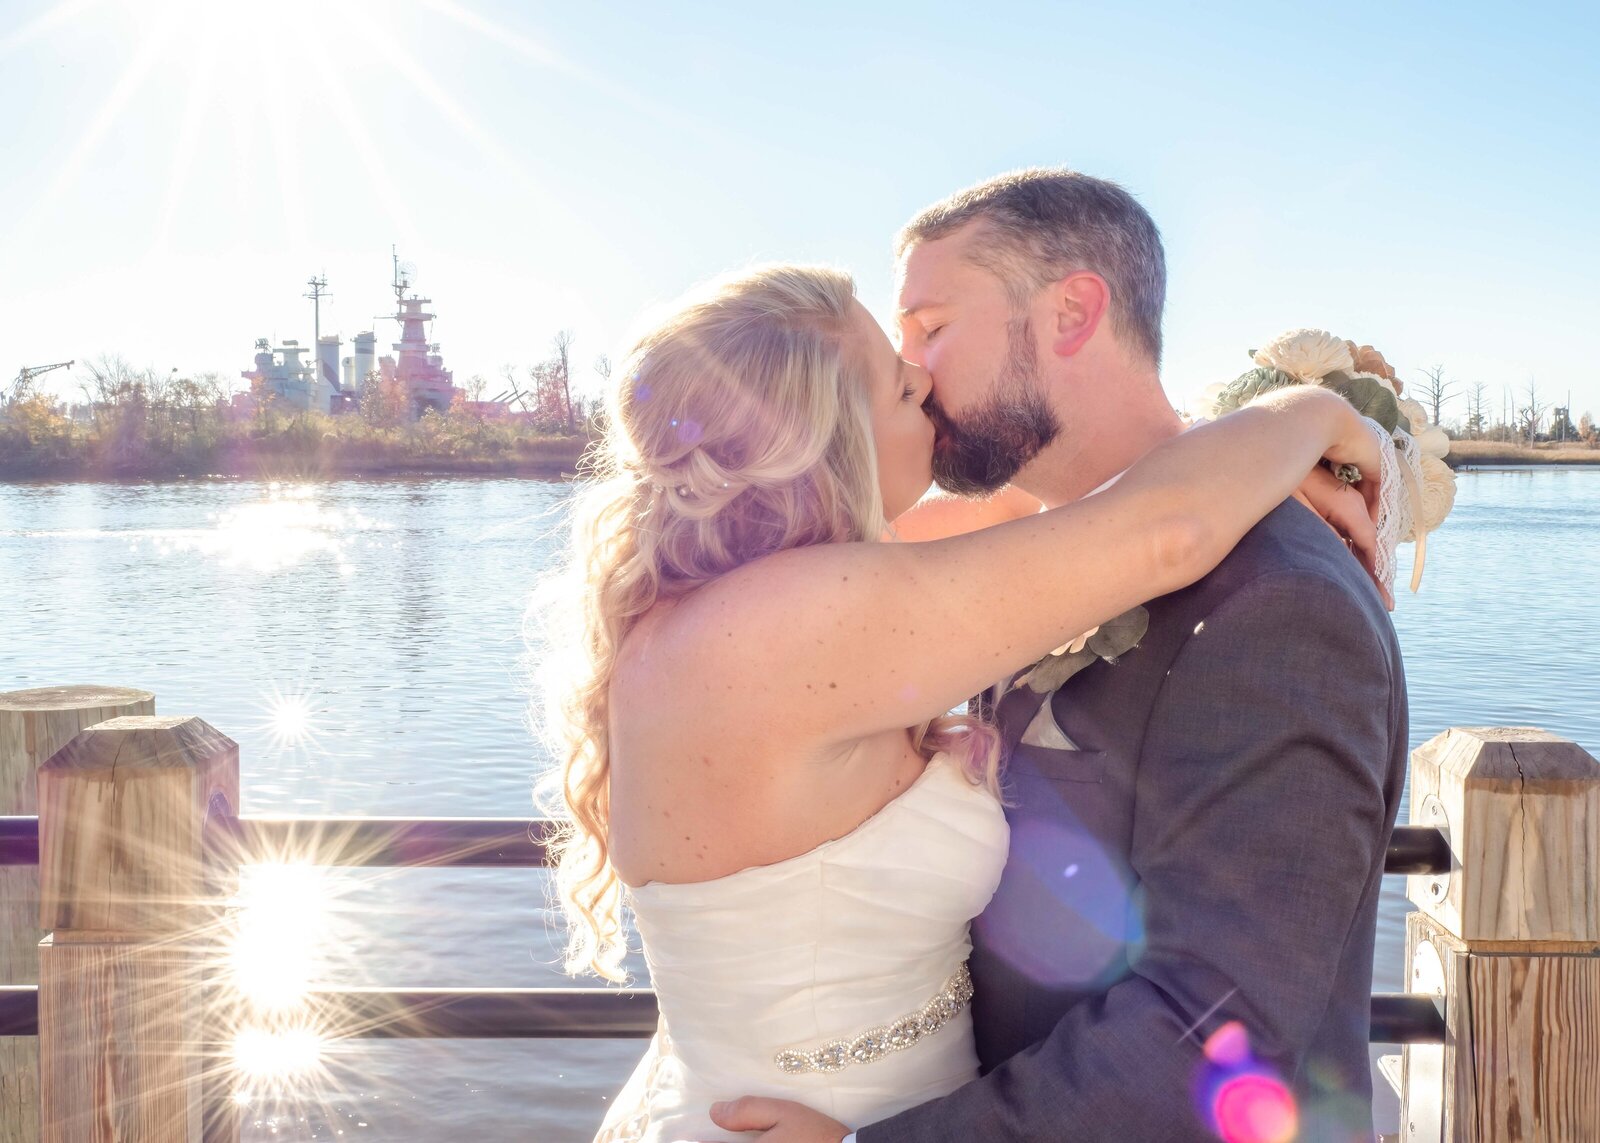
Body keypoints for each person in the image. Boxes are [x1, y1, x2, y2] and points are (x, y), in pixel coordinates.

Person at [546, 252, 1389, 1140]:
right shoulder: (789, 621)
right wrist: (1314, 412)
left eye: (929, 337)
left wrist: (1237, 450)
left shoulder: (747, 595)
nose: (925, 380)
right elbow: (1164, 528)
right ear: (825, 436)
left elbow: (1059, 505)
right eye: (898, 381)